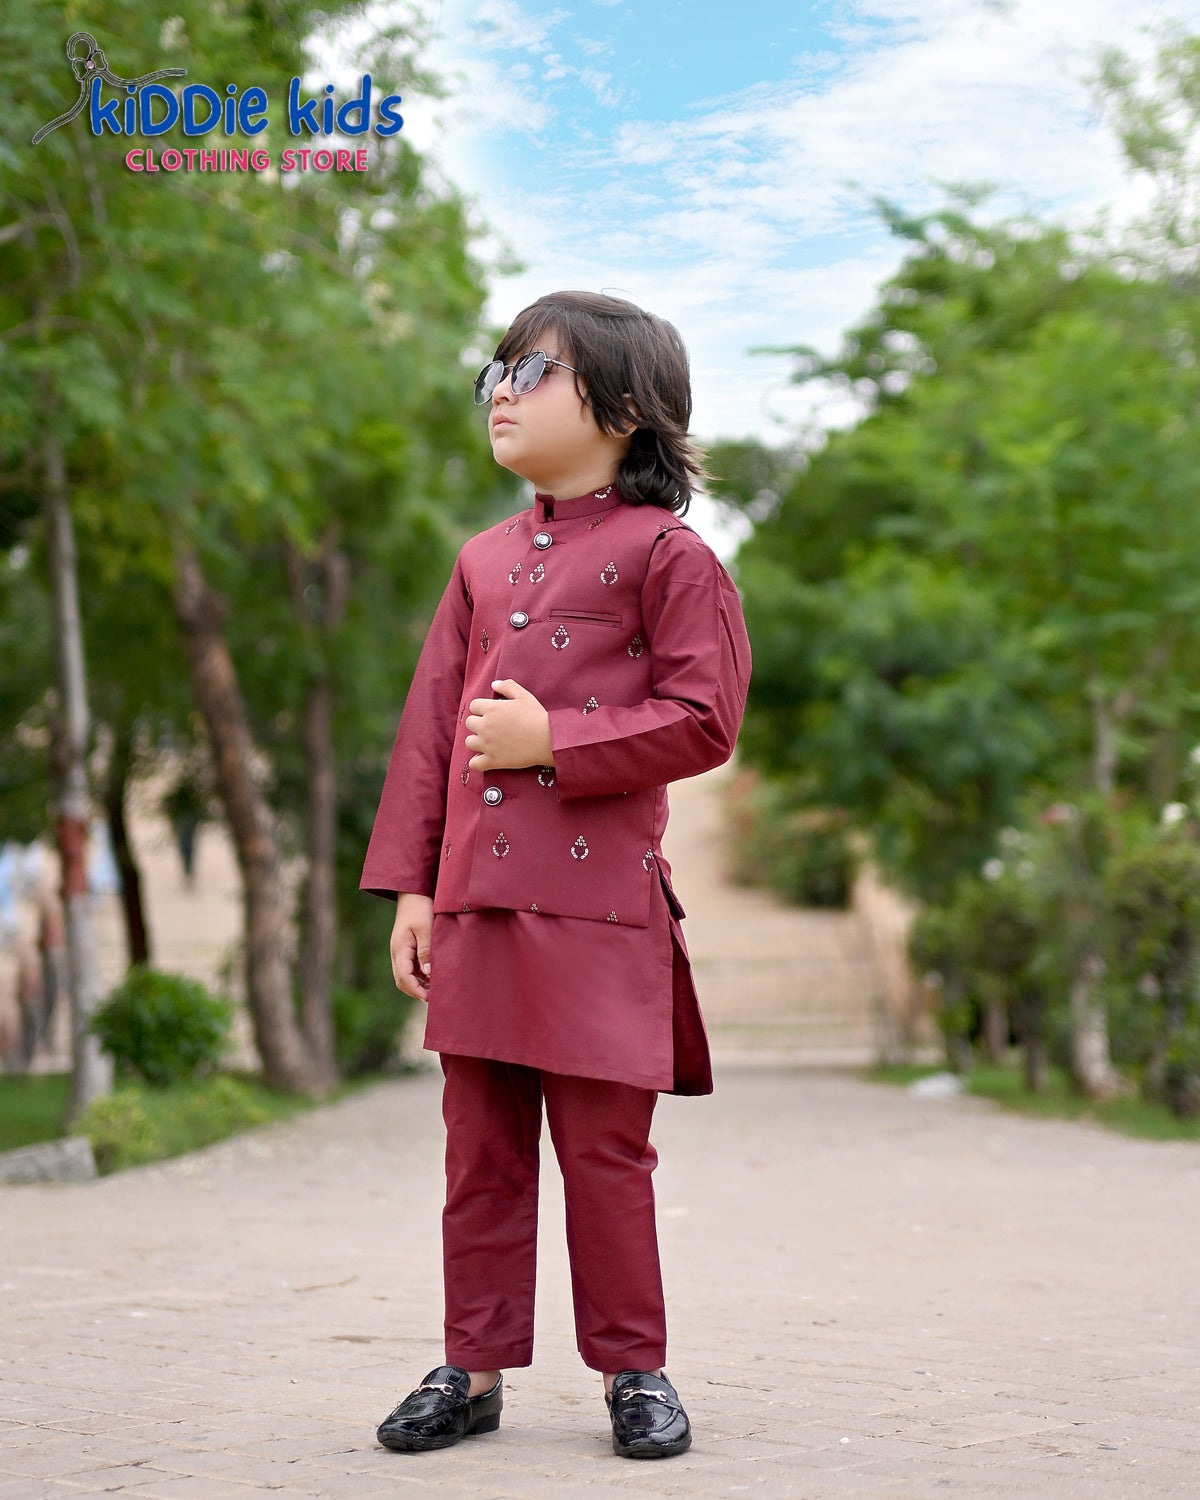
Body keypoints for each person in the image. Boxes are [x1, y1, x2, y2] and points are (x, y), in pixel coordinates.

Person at [360, 289, 752, 1459]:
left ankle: (635, 1369)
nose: (502, 391)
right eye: (498, 369)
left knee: (605, 1156)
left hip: (600, 914)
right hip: (476, 907)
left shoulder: (673, 557)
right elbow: (432, 733)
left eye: (534, 371)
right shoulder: (480, 561)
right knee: (478, 1153)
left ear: (625, 409)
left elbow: (706, 717)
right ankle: (472, 1368)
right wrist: (415, 891)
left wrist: (555, 742)